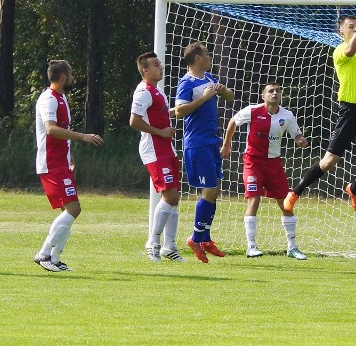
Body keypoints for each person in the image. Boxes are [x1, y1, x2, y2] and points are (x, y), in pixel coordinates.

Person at [284, 6, 356, 214]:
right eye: (351, 27)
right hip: (350, 111)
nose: (355, 29)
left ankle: (354, 189)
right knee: (330, 161)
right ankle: (296, 192)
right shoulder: (340, 51)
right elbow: (350, 50)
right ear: (341, 32)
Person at [221, 82, 310, 260]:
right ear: (263, 96)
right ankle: (251, 246)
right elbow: (233, 121)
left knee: (286, 204)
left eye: (278, 90)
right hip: (252, 161)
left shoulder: (287, 115)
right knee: (254, 199)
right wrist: (226, 145)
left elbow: (296, 135)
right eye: (271, 91)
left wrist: (301, 140)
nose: (275, 93)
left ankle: (292, 247)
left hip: (274, 164)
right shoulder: (252, 111)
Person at [33, 60, 104, 272]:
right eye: (70, 74)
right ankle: (44, 253)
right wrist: (83, 137)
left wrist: (70, 155)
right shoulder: (49, 99)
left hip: (61, 162)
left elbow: (61, 133)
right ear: (63, 77)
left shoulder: (61, 97)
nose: (72, 77)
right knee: (74, 209)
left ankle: (54, 258)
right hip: (51, 163)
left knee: (69, 210)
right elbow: (51, 130)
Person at [175, 42, 234, 263]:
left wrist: (222, 90)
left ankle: (206, 238)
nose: (210, 57)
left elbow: (230, 97)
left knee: (215, 188)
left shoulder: (208, 78)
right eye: (207, 54)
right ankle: (196, 238)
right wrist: (204, 98)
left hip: (211, 141)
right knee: (209, 189)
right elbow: (180, 111)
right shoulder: (186, 82)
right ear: (198, 58)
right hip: (196, 143)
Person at [130, 52, 184, 262]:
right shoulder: (143, 91)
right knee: (169, 196)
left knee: (174, 198)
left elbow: (159, 114)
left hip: (166, 148)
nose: (160, 67)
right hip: (154, 149)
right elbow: (134, 121)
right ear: (145, 71)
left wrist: (180, 110)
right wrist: (160, 132)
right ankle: (152, 242)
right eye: (155, 65)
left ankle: (169, 246)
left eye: (159, 64)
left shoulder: (157, 92)